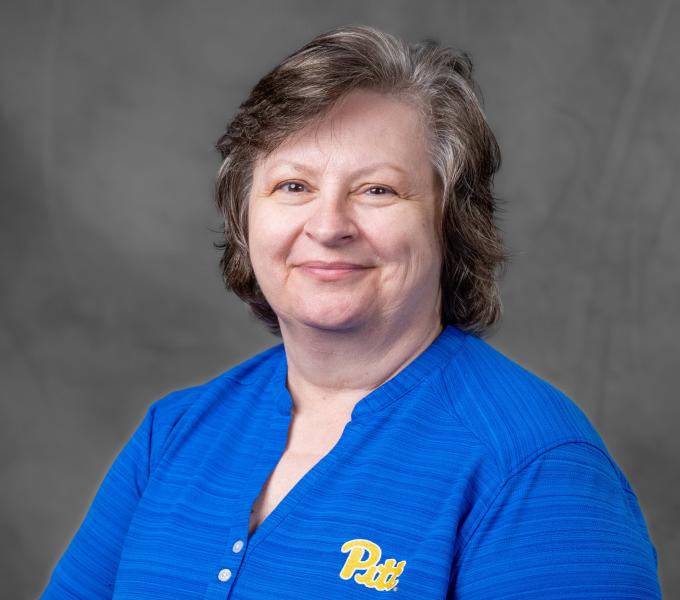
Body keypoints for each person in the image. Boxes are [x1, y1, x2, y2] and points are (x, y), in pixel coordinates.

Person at [40, 24, 661, 599]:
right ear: (244, 217)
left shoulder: (535, 468)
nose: (329, 226)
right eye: (293, 186)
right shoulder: (172, 435)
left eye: (377, 190)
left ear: (451, 221)